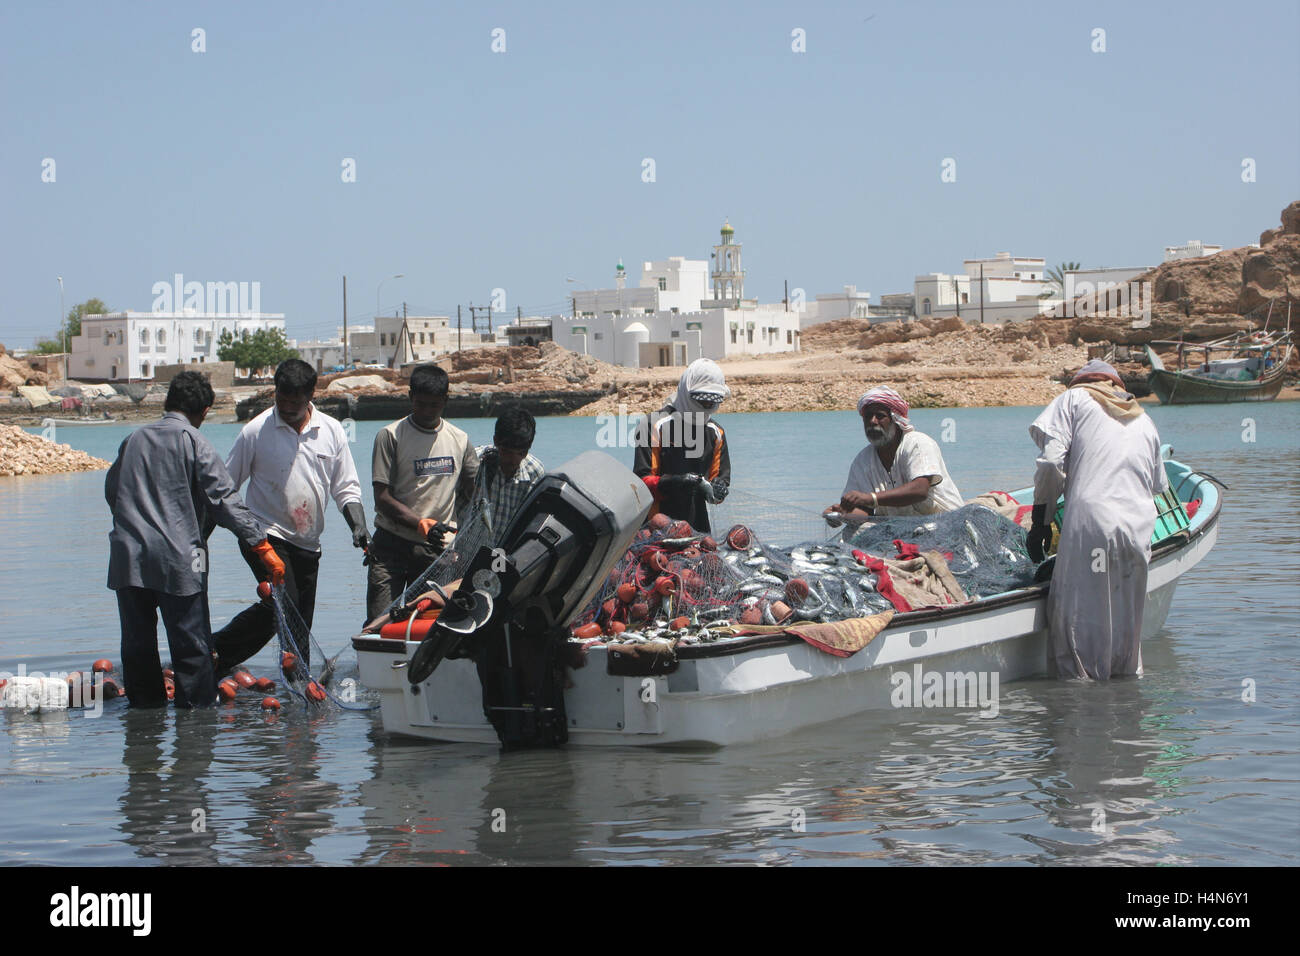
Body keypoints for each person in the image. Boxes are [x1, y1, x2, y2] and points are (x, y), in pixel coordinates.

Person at [106, 371, 284, 707]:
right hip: (180, 561)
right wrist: (262, 546)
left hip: (128, 560)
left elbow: (112, 493)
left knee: (137, 645)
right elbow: (224, 500)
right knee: (191, 646)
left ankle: (145, 722)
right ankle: (197, 724)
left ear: (167, 403)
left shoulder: (133, 440)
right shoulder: (193, 441)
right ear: (204, 411)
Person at [212, 359, 367, 672]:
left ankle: (219, 654)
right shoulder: (255, 431)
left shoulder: (332, 430)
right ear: (275, 392)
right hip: (265, 535)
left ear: (311, 395)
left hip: (309, 542)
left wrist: (359, 527)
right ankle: (290, 678)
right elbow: (225, 489)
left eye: (296, 401)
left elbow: (346, 488)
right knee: (287, 609)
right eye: (282, 399)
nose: (288, 407)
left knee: (295, 619)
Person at [1026, 359, 1167, 680]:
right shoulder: (1144, 419)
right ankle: (1126, 711)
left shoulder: (1073, 399)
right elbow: (1157, 485)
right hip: (1140, 529)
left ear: (1081, 382)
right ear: (1117, 386)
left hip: (1092, 524)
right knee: (1126, 635)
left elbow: (1050, 464)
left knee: (1077, 631)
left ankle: (1080, 716)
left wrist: (1041, 520)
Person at [365, 364, 479, 622]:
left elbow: (474, 493)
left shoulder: (459, 439)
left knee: (426, 624)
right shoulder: (390, 436)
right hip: (390, 546)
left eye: (434, 405)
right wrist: (420, 524)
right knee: (380, 622)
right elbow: (381, 498)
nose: (427, 411)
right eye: (421, 404)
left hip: (435, 551)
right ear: (410, 398)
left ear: (446, 401)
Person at [826, 385, 963, 525]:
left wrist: (871, 498)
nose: (872, 421)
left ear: (895, 420)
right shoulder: (863, 460)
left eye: (880, 416)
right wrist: (841, 514)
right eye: (868, 417)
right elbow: (864, 512)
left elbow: (920, 490)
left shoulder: (917, 443)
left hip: (946, 523)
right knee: (852, 532)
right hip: (901, 531)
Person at [633, 358, 731, 533]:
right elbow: (640, 485)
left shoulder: (716, 432)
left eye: (711, 403)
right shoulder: (653, 425)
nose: (707, 406)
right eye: (703, 401)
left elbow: (719, 484)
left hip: (698, 529)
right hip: (656, 527)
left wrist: (719, 489)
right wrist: (676, 482)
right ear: (686, 392)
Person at [468, 405, 545, 544]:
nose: (513, 460)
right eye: (507, 451)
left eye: (521, 453)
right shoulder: (475, 462)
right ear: (496, 441)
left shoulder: (535, 472)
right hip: (463, 552)